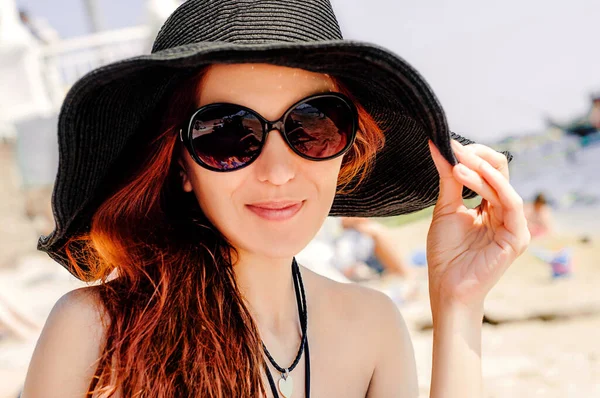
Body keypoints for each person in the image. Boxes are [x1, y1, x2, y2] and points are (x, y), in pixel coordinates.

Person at [21, 1, 530, 397]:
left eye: (313, 126)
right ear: (180, 165)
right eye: (227, 134)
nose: (279, 170)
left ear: (347, 149)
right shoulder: (95, 331)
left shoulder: (373, 326)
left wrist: (460, 305)